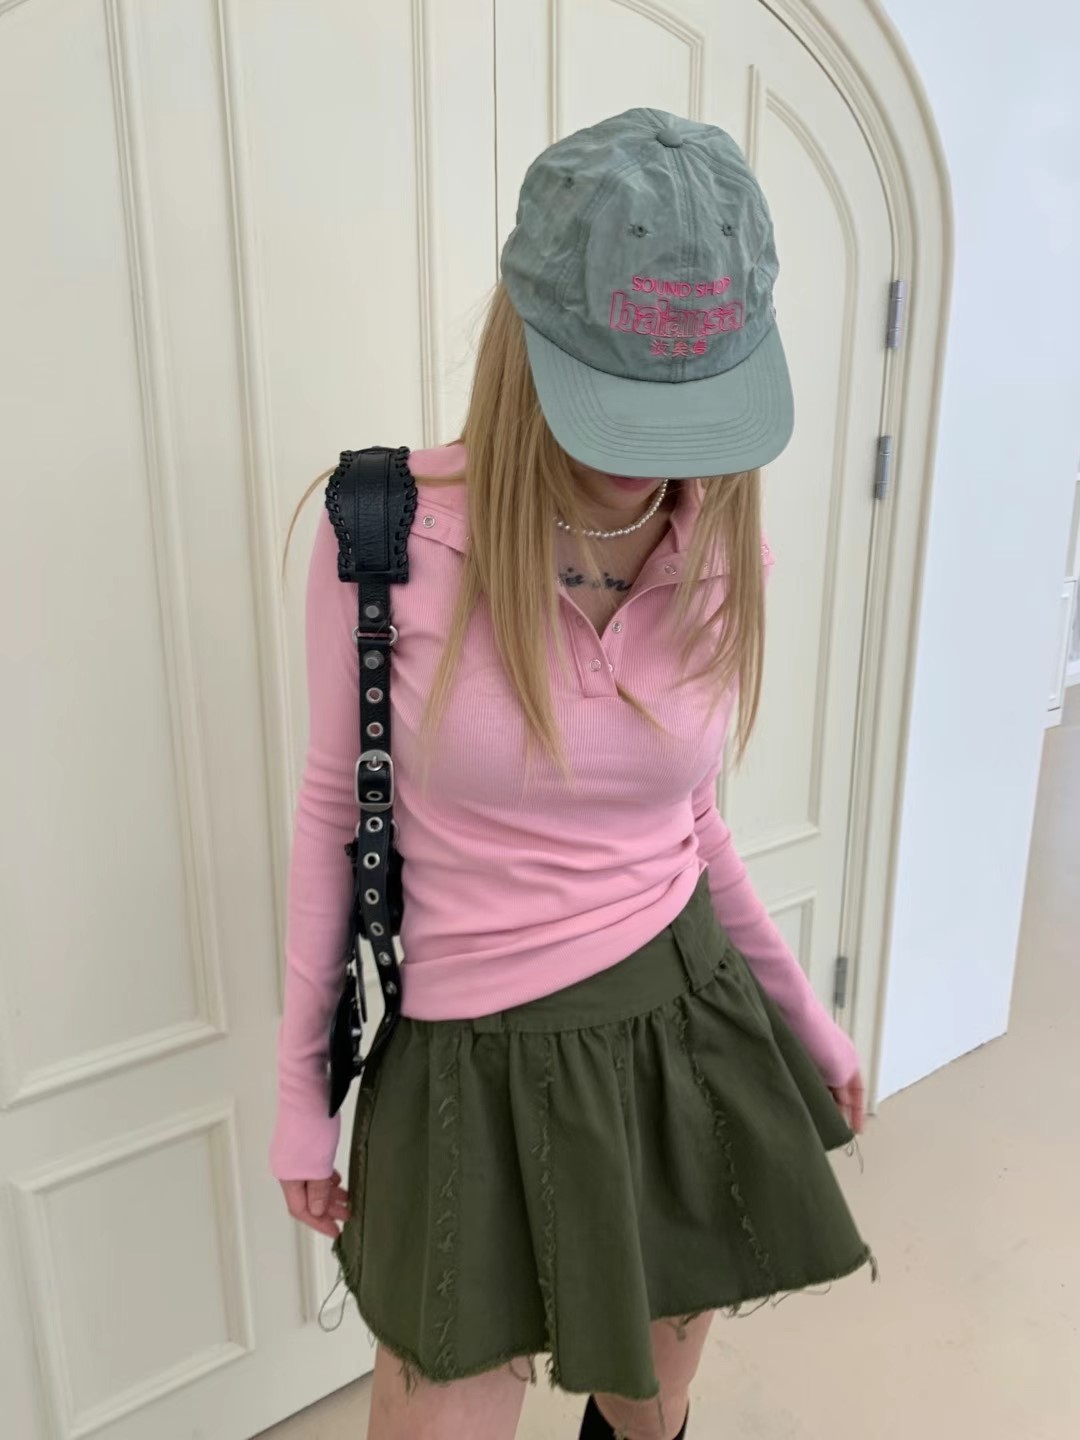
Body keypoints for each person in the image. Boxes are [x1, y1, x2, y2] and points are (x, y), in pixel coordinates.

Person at [270, 107, 874, 1440]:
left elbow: (693, 823)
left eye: (688, 412)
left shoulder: (723, 548)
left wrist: (807, 1020)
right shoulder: (381, 537)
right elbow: (329, 818)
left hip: (681, 1029)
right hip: (467, 1057)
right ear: (526, 344)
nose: (654, 457)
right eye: (621, 402)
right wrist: (303, 1095)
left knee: (648, 1407)